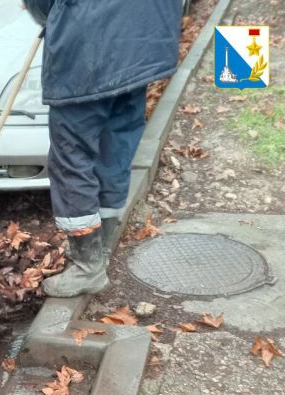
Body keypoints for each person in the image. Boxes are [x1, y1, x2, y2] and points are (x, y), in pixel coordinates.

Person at [24, 0, 182, 297]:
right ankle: (102, 246)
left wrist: (48, 16)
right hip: (142, 44)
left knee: (71, 156)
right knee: (116, 145)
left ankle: (87, 265)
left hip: (88, 48)